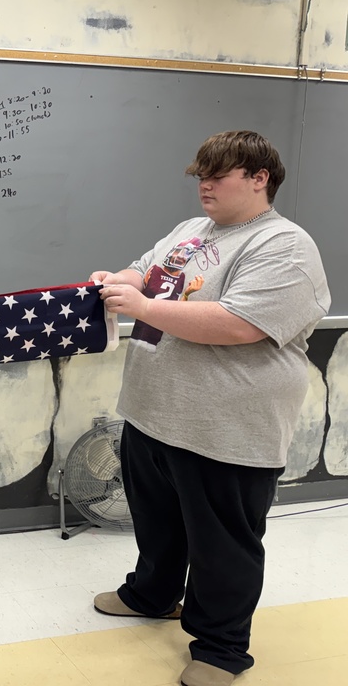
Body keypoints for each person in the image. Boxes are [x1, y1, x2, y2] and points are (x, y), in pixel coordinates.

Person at [88, 130, 329, 686]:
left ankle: (221, 649)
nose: (204, 185)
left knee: (223, 545)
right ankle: (151, 595)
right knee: (158, 525)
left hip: (226, 428)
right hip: (152, 413)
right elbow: (143, 272)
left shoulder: (283, 246)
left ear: (259, 178)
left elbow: (241, 324)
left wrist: (145, 305)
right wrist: (114, 281)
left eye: (217, 175)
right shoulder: (192, 230)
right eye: (200, 175)